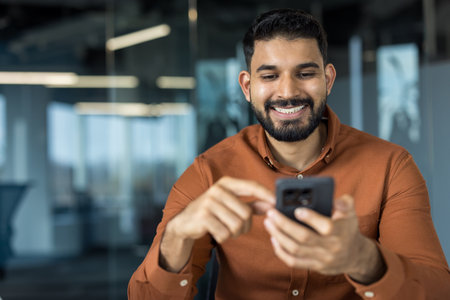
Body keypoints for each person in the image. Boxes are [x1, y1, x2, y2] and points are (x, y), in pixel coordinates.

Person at [128, 8, 450, 299]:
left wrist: (364, 260)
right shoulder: (208, 172)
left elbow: (436, 291)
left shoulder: (391, 167)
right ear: (247, 86)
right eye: (269, 76)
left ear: (328, 80)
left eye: (305, 74)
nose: (287, 92)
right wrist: (178, 236)